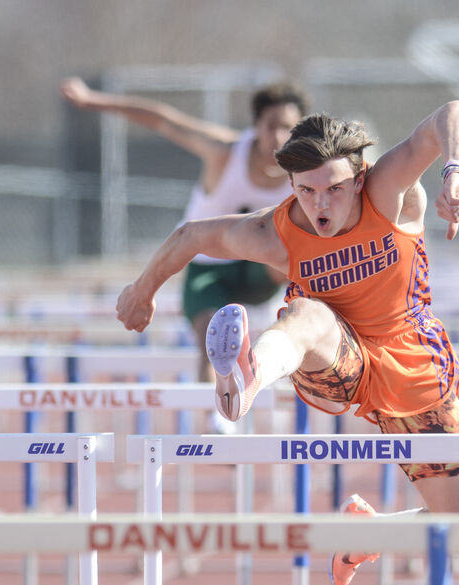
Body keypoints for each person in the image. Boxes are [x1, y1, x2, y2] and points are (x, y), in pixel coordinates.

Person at [115, 101, 459, 585]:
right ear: (291, 186)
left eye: (334, 190)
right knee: (308, 315)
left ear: (358, 179)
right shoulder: (278, 232)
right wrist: (142, 291)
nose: (320, 206)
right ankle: (247, 377)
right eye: (306, 191)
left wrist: (456, 170)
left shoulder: (390, 191)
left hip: (415, 364)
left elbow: (452, 113)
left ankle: (370, 536)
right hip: (336, 358)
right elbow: (192, 235)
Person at [61, 76, 310, 384]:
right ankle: (215, 420)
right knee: (213, 337)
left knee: (298, 247)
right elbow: (163, 120)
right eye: (271, 125)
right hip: (209, 270)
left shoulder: (306, 173)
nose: (278, 136)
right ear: (255, 126)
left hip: (261, 271)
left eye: (288, 127)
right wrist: (92, 100)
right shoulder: (225, 152)